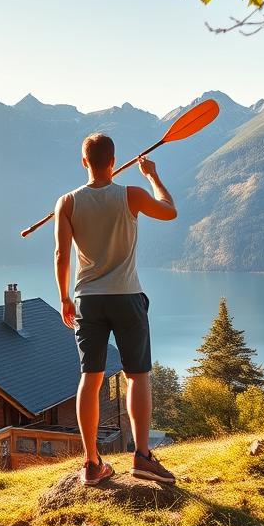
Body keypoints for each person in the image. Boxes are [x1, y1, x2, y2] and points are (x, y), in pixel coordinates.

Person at [53, 133, 178, 487]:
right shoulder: (131, 196)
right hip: (126, 296)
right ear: (113, 161)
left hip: (87, 299)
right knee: (138, 375)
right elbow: (170, 211)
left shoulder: (67, 202)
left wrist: (64, 297)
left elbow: (62, 255)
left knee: (89, 380)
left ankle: (92, 463)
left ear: (84, 162)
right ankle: (142, 456)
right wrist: (152, 176)